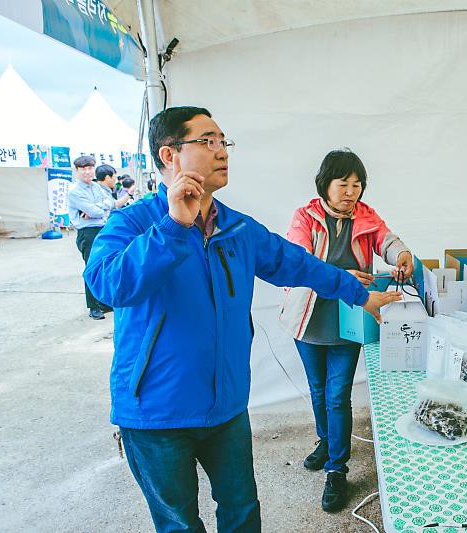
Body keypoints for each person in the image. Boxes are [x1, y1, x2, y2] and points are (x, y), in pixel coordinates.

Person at [84, 106, 400, 533]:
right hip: (156, 414)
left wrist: (361, 295)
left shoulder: (237, 229)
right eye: (207, 141)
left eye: (224, 142)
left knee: (243, 513)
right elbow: (107, 284)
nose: (222, 152)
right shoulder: (134, 221)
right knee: (179, 524)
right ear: (168, 155)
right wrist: (175, 225)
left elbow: (303, 265)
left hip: (226, 408)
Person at [279, 149, 414, 513]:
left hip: (350, 319)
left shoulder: (365, 216)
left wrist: (402, 253)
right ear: (326, 183)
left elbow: (387, 239)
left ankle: (336, 469)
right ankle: (327, 441)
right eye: (344, 183)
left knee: (338, 394)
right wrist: (340, 278)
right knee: (318, 390)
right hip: (309, 316)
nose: (351, 191)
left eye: (357, 184)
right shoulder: (304, 217)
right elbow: (298, 262)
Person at [68, 155, 114, 320]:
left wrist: (98, 208)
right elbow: (96, 211)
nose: (87, 172)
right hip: (87, 233)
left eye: (90, 168)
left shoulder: (96, 187)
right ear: (77, 171)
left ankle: (104, 302)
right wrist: (97, 209)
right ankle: (93, 307)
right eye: (83, 169)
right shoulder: (75, 191)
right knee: (91, 267)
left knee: (105, 264)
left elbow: (110, 202)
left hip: (102, 228)